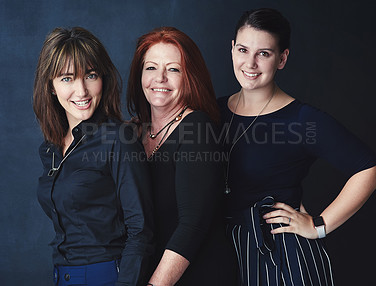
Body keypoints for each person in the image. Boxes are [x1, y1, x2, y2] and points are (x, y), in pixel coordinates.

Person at [218, 8, 376, 286]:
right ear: (232, 49)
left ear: (282, 59)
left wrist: (319, 226)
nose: (250, 63)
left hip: (279, 255)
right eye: (244, 50)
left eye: (264, 53)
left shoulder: (303, 119)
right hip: (221, 251)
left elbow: (371, 170)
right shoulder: (212, 110)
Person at [33, 27, 153, 286]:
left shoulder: (119, 139)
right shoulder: (50, 149)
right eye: (67, 78)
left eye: (90, 75)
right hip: (62, 275)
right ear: (51, 87)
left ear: (103, 78)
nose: (82, 91)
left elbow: (141, 230)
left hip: (110, 276)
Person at [127, 26, 238, 286]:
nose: (160, 78)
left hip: (197, 276)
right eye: (151, 68)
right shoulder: (134, 132)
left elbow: (193, 226)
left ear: (190, 77)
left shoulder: (196, 127)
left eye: (173, 69)